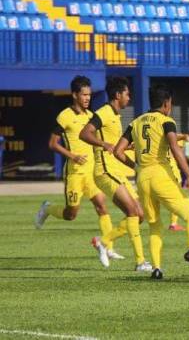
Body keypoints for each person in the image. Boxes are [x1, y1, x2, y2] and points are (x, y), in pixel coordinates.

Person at [113, 84, 189, 279]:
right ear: (167, 103)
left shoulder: (135, 122)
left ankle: (157, 269)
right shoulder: (166, 121)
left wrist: (135, 166)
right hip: (161, 175)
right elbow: (175, 148)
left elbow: (117, 151)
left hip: (142, 178)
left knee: (154, 225)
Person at [35, 76, 124, 261]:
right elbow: (52, 143)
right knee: (71, 214)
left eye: (89, 95)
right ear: (75, 95)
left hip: (92, 172)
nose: (87, 98)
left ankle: (108, 247)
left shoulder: (92, 117)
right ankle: (48, 208)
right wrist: (72, 155)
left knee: (102, 206)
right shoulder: (64, 116)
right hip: (74, 173)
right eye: (84, 95)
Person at [78, 76, 150, 271]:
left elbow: (116, 150)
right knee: (133, 212)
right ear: (118, 95)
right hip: (104, 171)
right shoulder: (104, 112)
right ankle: (140, 262)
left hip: (116, 171)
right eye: (127, 93)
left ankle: (103, 241)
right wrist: (103, 144)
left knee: (140, 214)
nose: (129, 97)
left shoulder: (116, 116)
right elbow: (84, 133)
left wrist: (135, 164)